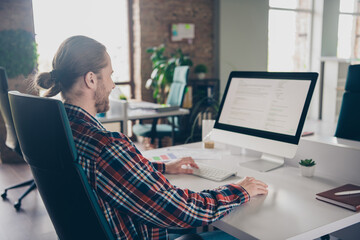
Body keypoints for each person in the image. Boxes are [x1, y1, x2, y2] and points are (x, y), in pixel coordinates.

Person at [34, 35, 268, 240]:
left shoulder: (59, 128)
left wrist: (163, 167)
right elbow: (183, 212)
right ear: (91, 79)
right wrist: (240, 191)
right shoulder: (105, 146)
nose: (113, 84)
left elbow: (112, 172)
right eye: (111, 75)